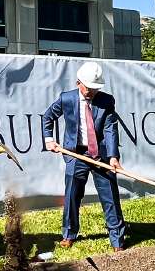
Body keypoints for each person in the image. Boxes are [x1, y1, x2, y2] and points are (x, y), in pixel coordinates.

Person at [42, 61, 128, 251]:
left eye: (95, 88)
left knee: (110, 196)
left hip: (101, 156)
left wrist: (113, 156)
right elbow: (48, 117)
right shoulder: (66, 99)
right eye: (88, 87)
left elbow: (110, 129)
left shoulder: (106, 101)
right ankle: (69, 233)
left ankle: (117, 240)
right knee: (72, 195)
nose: (91, 92)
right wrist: (49, 140)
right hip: (75, 154)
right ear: (78, 83)